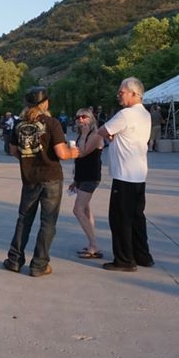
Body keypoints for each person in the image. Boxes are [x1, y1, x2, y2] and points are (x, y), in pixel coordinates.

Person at [4, 87, 79, 277]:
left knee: (24, 219)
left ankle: (14, 260)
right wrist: (73, 152)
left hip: (30, 178)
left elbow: (13, 151)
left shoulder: (18, 124)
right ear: (44, 103)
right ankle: (39, 264)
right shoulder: (52, 123)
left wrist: (28, 158)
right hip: (51, 177)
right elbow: (62, 153)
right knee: (48, 222)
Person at [96, 77, 154, 272]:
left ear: (134, 93)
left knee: (120, 219)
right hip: (138, 174)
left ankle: (124, 259)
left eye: (121, 92)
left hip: (124, 175)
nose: (119, 95)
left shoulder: (126, 114)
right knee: (137, 217)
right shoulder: (145, 114)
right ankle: (142, 255)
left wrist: (110, 136)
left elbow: (102, 130)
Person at [70, 107, 105, 259]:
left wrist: (84, 135)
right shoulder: (81, 135)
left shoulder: (95, 135)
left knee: (77, 210)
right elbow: (78, 158)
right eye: (78, 117)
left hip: (91, 176)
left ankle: (94, 245)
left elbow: (83, 153)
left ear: (91, 119)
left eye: (84, 117)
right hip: (82, 176)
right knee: (85, 210)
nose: (80, 120)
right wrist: (75, 180)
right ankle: (92, 243)